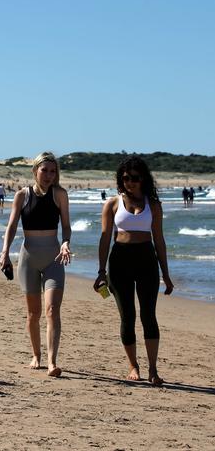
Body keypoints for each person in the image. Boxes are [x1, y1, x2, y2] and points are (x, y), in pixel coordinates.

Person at [93, 156, 174, 386]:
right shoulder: (112, 203)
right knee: (127, 317)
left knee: (149, 315)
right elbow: (105, 239)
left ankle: (153, 369)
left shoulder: (154, 205)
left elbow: (159, 240)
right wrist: (101, 271)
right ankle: (133, 365)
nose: (130, 182)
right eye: (125, 178)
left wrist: (166, 274)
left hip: (146, 260)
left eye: (135, 178)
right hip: (119, 261)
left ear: (143, 179)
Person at [0, 152, 71, 377]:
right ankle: (36, 356)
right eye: (45, 170)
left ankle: (51, 361)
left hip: (54, 258)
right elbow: (11, 226)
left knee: (52, 310)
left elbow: (66, 226)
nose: (49, 175)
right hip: (28, 258)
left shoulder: (60, 195)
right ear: (35, 171)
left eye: (53, 171)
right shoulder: (22, 195)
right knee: (33, 314)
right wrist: (5, 253)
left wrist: (66, 243)